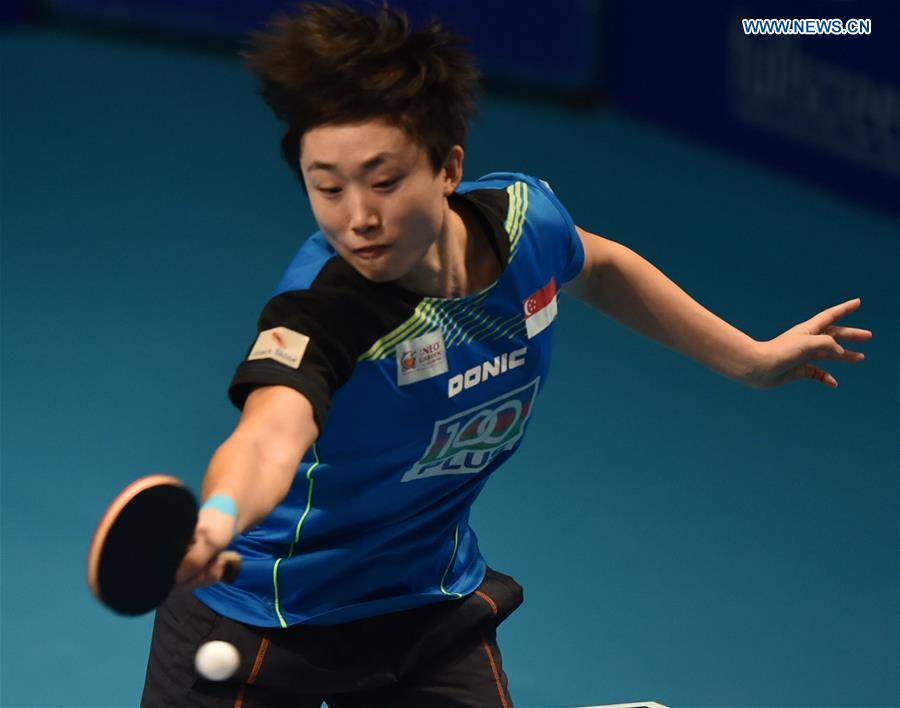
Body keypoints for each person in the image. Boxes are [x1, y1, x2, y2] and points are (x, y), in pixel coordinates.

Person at [140, 3, 872, 707]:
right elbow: (269, 434)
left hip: (422, 603)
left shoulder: (525, 224)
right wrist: (218, 519)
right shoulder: (325, 309)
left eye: (384, 181)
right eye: (325, 187)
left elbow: (602, 263)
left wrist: (749, 359)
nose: (357, 217)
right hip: (263, 615)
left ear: (449, 167)